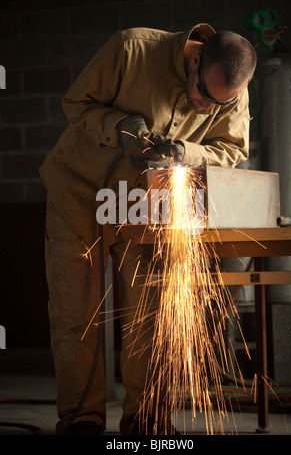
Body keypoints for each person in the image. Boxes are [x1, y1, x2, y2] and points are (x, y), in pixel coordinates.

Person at [39, 23, 257, 436]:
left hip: (141, 202)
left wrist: (185, 151)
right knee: (75, 312)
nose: (209, 109)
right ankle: (81, 419)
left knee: (152, 312)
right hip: (78, 190)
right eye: (206, 97)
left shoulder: (231, 89)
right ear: (196, 61)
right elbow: (75, 104)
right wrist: (124, 129)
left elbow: (232, 149)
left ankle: (147, 420)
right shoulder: (131, 49)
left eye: (221, 103)